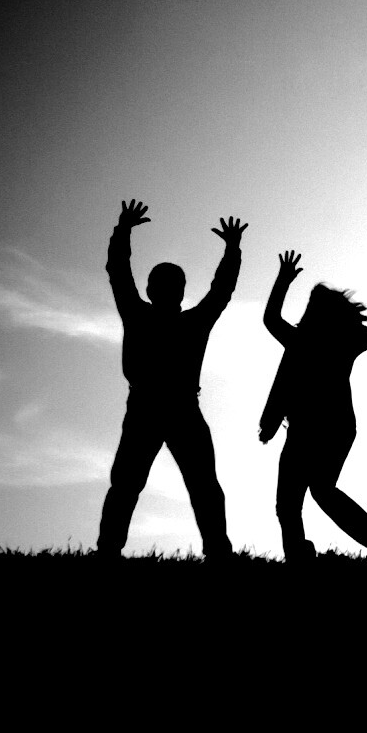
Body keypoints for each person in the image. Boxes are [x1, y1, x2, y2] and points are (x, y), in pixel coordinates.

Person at [96, 199, 243, 559]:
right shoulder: (162, 317)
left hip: (169, 407)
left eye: (170, 283)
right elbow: (119, 272)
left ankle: (215, 550)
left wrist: (123, 232)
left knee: (191, 484)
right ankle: (111, 549)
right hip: (157, 406)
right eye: (164, 283)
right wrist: (231, 250)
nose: (166, 288)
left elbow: (119, 272)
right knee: (138, 484)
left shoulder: (163, 317)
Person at [260, 251, 367, 563]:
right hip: (331, 428)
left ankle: (306, 554)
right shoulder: (338, 342)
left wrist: (283, 281)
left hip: (318, 429)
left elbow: (271, 319)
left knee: (294, 501)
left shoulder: (307, 341)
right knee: (315, 493)